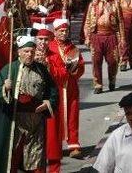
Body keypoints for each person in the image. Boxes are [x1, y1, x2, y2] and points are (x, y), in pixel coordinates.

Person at [0, 31, 57, 173]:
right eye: (26, 51)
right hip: (16, 123)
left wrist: (48, 103)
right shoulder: (9, 69)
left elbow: (53, 91)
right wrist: (5, 89)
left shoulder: (42, 69)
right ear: (19, 52)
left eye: (32, 51)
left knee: (35, 161)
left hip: (36, 124)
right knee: (12, 159)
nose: (29, 55)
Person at [47, 18, 84, 159]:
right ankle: (53, 146)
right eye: (60, 31)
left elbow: (79, 68)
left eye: (66, 30)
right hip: (55, 88)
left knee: (72, 115)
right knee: (54, 118)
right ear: (55, 32)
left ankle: (73, 144)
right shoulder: (49, 47)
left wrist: (75, 69)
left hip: (70, 87)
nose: (64, 33)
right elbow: (48, 67)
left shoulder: (73, 48)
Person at [83, 0, 123, 93]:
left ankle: (112, 81)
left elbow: (120, 22)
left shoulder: (115, 3)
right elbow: (87, 22)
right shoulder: (92, 5)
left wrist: (122, 39)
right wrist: (87, 37)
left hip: (111, 35)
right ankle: (98, 85)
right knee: (96, 61)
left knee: (113, 61)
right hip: (96, 36)